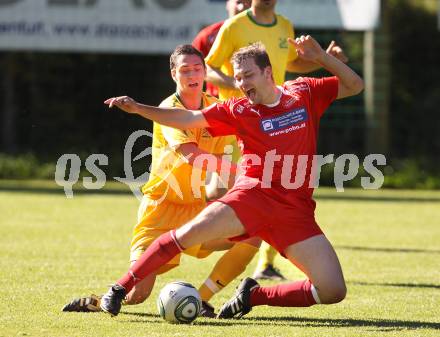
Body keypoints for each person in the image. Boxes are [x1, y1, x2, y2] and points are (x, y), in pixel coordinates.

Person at [100, 35, 363, 318]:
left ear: (268, 72)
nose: (242, 83)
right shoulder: (237, 110)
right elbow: (187, 119)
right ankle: (117, 289)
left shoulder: (303, 92)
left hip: (294, 211)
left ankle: (254, 295)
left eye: (248, 75)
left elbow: (355, 85)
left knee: (333, 290)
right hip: (251, 198)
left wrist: (321, 57)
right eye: (238, 78)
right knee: (183, 236)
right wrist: (140, 108)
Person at [62, 44, 260, 318]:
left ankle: (201, 299)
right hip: (159, 208)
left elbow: (219, 164)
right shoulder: (169, 109)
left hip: (193, 210)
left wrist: (236, 193)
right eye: (185, 69)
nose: (192, 74)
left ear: (204, 72)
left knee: (252, 233)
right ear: (173, 74)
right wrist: (245, 175)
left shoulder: (215, 109)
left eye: (197, 68)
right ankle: (96, 300)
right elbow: (192, 155)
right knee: (137, 294)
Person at [204, 0, 348, 280]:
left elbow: (291, 63)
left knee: (280, 191)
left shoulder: (285, 25)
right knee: (217, 192)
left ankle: (263, 264)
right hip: (240, 123)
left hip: (277, 123)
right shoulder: (235, 25)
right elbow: (209, 66)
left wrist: (323, 58)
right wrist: (239, 82)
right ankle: (205, 241)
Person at [192, 0, 251, 97]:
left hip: (258, 102)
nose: (242, 7)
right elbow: (193, 69)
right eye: (238, 2)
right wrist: (237, 83)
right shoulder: (208, 35)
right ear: (228, 4)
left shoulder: (264, 34)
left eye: (247, 3)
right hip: (216, 101)